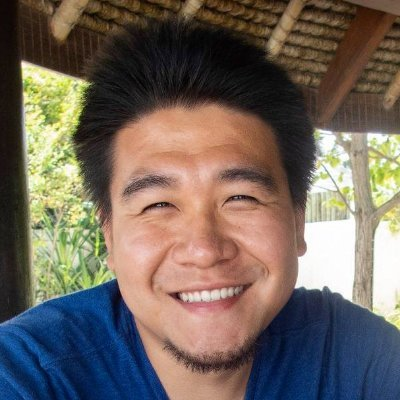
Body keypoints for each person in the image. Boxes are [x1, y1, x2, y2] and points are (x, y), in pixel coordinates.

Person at [1, 18, 399, 400]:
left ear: (297, 221)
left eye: (240, 198)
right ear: (110, 235)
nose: (204, 250)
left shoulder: (359, 357)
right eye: (158, 204)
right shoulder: (26, 375)